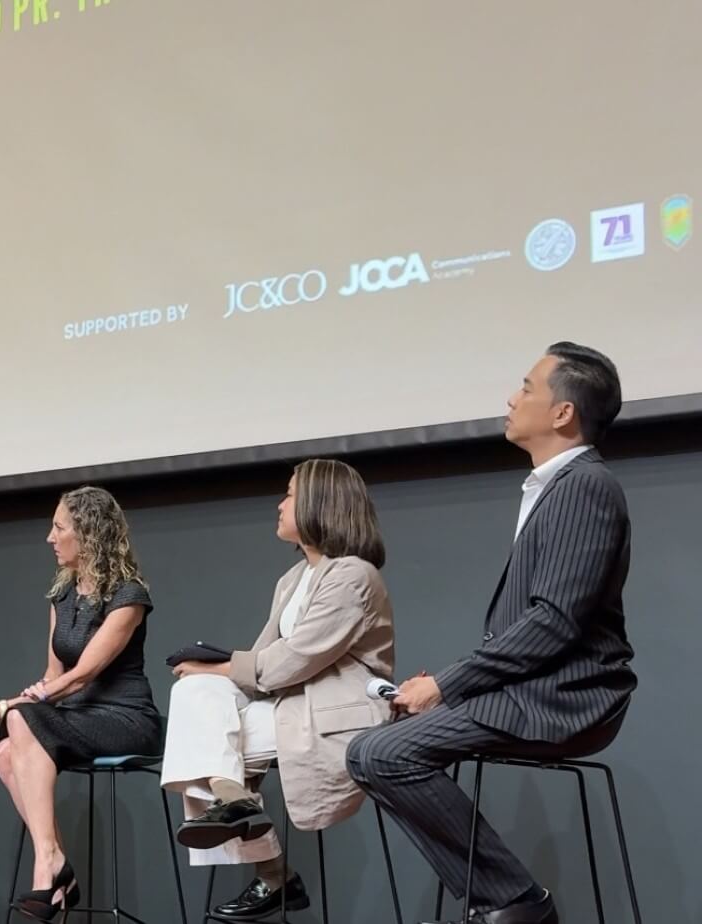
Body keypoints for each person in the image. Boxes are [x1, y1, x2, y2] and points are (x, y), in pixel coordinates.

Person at [347, 342, 637, 924]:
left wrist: (449, 687)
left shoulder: (583, 486)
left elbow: (555, 622)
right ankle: (503, 900)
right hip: (532, 688)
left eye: (527, 386)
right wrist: (447, 685)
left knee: (379, 752)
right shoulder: (553, 487)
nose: (512, 397)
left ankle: (515, 901)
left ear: (563, 413)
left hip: (569, 696)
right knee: (375, 748)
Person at [161, 459, 394, 920]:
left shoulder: (353, 575)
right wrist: (213, 674)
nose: (280, 504)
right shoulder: (293, 580)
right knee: (192, 698)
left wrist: (221, 667)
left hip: (335, 712)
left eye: (289, 494)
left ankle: (269, 866)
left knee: (203, 742)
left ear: (318, 503)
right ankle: (239, 807)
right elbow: (265, 660)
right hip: (288, 705)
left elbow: (291, 661)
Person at [0, 486, 160, 923]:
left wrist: (4, 706)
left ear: (88, 534)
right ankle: (55, 862)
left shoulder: (129, 595)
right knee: (3, 750)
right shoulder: (62, 594)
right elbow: (53, 677)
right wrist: (11, 707)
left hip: (125, 718)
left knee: (17, 716)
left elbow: (83, 674)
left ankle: (48, 868)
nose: (50, 538)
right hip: (76, 715)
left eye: (58, 527)